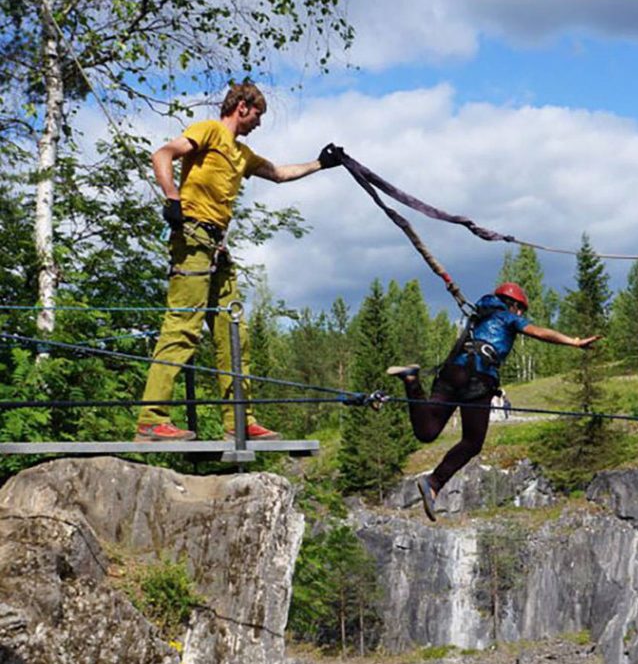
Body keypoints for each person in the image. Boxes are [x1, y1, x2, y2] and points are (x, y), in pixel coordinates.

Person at [135, 80, 343, 442]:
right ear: (242, 106)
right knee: (183, 325)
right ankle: (151, 419)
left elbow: (278, 174)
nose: (259, 123)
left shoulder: (242, 154)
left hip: (217, 247)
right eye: (258, 115)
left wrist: (321, 164)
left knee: (233, 332)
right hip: (192, 237)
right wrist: (172, 196)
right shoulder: (210, 131)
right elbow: (163, 154)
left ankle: (239, 423)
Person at [388, 283, 601, 521]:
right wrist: (573, 341)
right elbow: (540, 333)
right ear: (513, 305)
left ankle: (411, 380)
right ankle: (434, 482)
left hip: (451, 373)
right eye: (520, 309)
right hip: (476, 378)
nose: (520, 315)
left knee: (427, 432)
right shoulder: (507, 317)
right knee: (472, 441)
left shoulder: (479, 315)